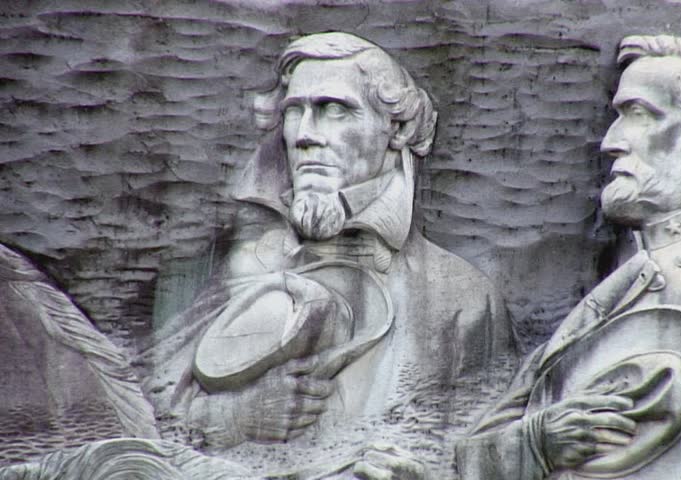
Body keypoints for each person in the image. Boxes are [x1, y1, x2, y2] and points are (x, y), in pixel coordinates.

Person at [142, 32, 516, 478]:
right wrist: (235, 418)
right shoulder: (239, 268)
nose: (304, 135)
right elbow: (143, 414)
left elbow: (486, 447)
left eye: (334, 110)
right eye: (294, 111)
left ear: (396, 128)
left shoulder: (463, 296)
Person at [456, 34, 681, 480]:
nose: (611, 142)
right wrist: (539, 442)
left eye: (637, 114)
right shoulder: (627, 276)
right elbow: (478, 448)